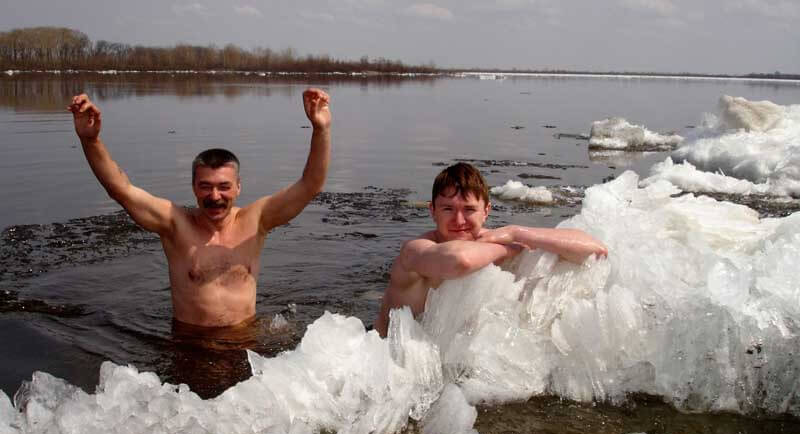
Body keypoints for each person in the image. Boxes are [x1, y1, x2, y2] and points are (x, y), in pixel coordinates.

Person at [68, 89, 331, 327]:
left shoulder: (257, 219)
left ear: (238, 187)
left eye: (224, 186)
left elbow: (310, 185)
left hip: (244, 342)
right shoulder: (175, 224)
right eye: (205, 186)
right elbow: (120, 189)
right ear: (193, 187)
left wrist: (321, 130)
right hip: (191, 346)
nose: (214, 196)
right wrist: (91, 142)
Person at [375, 162, 608, 337]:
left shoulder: (503, 240)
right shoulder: (414, 251)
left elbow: (596, 251)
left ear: (486, 211)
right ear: (432, 211)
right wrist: (508, 250)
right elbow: (459, 262)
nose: (458, 220)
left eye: (468, 209)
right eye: (447, 209)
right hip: (388, 363)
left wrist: (517, 233)